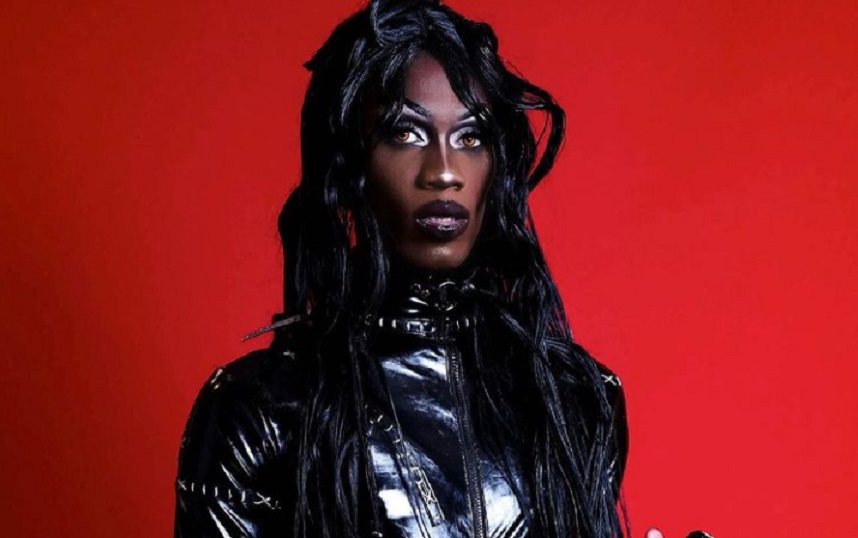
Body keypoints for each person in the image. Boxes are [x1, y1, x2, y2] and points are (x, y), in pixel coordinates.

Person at [174, 1, 710, 537]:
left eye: (471, 137)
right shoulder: (262, 410)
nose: (445, 171)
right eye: (405, 133)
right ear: (349, 162)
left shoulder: (576, 399)